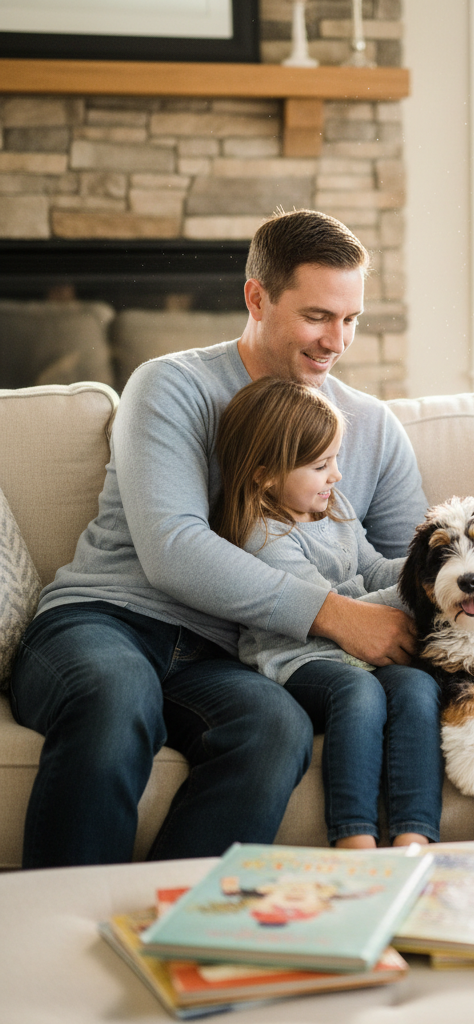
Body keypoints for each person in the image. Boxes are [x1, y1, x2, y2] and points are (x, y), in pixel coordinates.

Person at [10, 209, 428, 868]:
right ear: (256, 298)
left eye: (351, 319)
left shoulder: (372, 429)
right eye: (317, 315)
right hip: (105, 622)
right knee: (116, 700)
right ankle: (63, 938)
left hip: (223, 657)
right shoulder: (172, 385)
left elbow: (415, 570)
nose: (336, 341)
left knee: (274, 728)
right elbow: (173, 547)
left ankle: (173, 927)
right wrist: (336, 615)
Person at [213, 376, 443, 849]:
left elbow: (374, 568)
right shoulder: (262, 535)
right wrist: (427, 593)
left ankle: (414, 834)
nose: (336, 475)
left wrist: (433, 568)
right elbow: (336, 611)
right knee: (358, 692)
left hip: (361, 648)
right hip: (299, 658)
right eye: (321, 465)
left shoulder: (332, 505)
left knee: (418, 685)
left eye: (335, 459)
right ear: (265, 475)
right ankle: (353, 836)